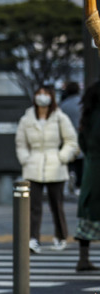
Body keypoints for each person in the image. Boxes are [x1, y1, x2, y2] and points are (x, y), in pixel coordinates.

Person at [16, 85, 79, 254]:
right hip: (33, 166)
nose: (42, 97)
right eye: (39, 94)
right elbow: (21, 143)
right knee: (33, 206)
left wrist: (62, 157)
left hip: (55, 165)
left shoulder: (60, 117)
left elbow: (71, 140)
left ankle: (61, 236)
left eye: (45, 94)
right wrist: (25, 159)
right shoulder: (27, 118)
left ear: (52, 97)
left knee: (56, 204)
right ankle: (33, 238)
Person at [75, 81, 100, 272]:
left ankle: (83, 258)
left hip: (91, 169)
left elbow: (81, 142)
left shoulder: (88, 115)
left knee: (88, 215)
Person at [61, 82, 83, 196]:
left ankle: (70, 174)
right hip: (80, 136)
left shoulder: (63, 105)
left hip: (67, 138)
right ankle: (78, 185)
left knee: (69, 161)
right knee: (81, 162)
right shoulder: (83, 104)